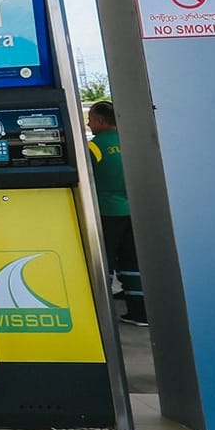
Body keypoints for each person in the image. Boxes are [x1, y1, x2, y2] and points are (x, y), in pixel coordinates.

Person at [85, 101, 146, 326]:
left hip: (107, 211)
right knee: (132, 261)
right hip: (134, 210)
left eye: (90, 119)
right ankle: (140, 313)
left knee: (105, 261)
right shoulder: (131, 142)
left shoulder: (94, 147)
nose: (88, 124)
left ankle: (101, 315)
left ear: (101, 121)